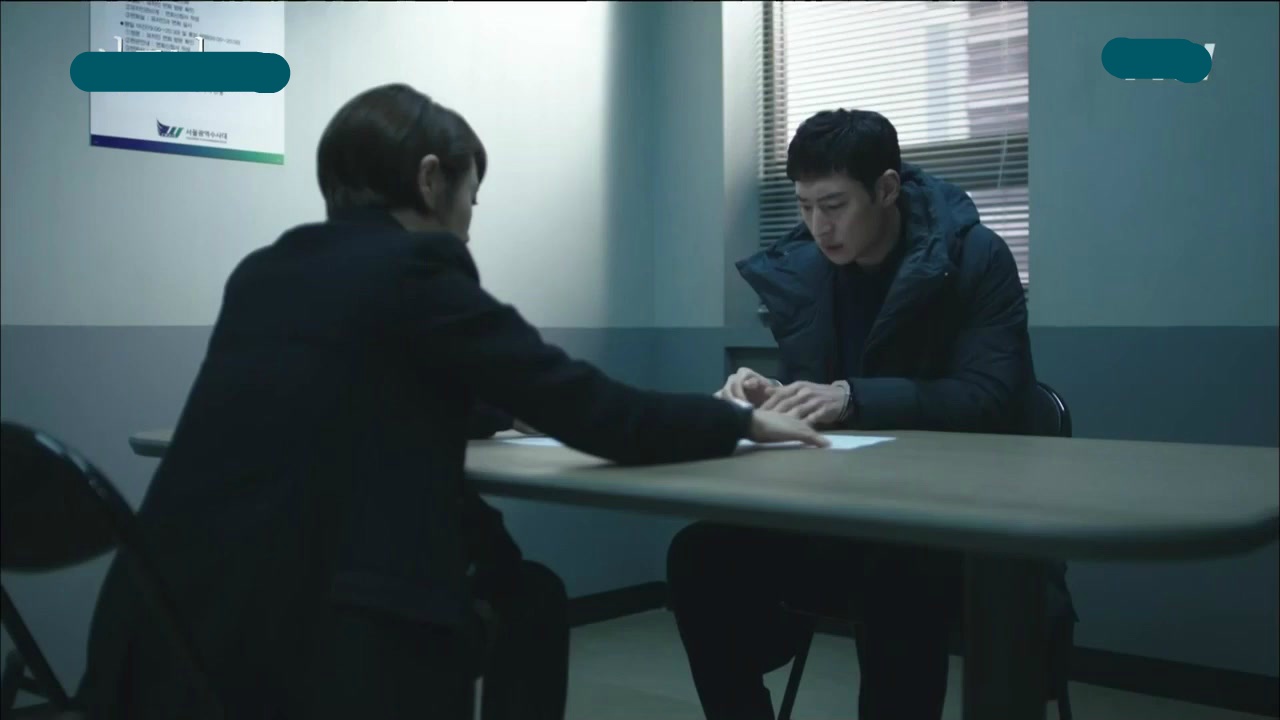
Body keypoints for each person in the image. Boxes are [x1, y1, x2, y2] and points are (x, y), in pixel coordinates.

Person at [77, 83, 826, 720]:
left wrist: (498, 408)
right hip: (314, 637)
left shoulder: (266, 271)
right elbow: (600, 415)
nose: (471, 219)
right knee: (531, 599)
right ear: (432, 179)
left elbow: (363, 392)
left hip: (163, 623)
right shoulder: (417, 270)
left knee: (517, 587)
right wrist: (738, 420)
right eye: (472, 195)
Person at [668, 109, 1076, 720]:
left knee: (899, 571)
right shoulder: (809, 268)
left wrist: (852, 397)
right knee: (698, 555)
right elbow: (816, 397)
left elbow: (989, 399)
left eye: (834, 205)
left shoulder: (976, 258)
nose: (817, 226)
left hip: (955, 527)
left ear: (886, 189)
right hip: (843, 516)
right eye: (804, 205)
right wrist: (772, 396)